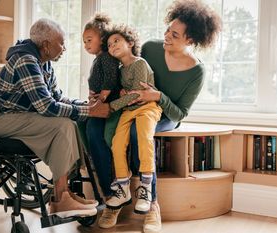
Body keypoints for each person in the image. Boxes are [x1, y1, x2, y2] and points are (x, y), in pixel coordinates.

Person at [90, 1, 222, 232]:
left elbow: (180, 113)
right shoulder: (150, 48)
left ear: (190, 40)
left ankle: (152, 204)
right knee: (97, 129)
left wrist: (157, 96)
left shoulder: (196, 71)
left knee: (138, 133)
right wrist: (106, 90)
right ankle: (114, 196)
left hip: (164, 113)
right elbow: (125, 68)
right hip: (133, 106)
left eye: (175, 35)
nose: (166, 36)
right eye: (167, 30)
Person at [0, 18, 110, 218]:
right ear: (46, 45)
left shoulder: (44, 64)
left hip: (16, 117)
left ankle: (64, 195)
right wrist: (91, 112)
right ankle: (61, 198)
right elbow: (46, 107)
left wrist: (87, 106)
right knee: (62, 125)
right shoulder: (25, 59)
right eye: (61, 43)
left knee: (68, 122)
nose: (64, 49)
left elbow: (57, 98)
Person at [103, 24, 162, 216]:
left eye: (117, 41)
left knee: (145, 139)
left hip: (147, 108)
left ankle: (145, 190)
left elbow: (137, 94)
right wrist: (123, 95)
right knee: (117, 143)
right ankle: (123, 188)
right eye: (110, 45)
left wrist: (112, 106)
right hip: (128, 111)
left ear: (130, 42)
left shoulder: (140, 63)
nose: (112, 46)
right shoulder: (119, 70)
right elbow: (126, 94)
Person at [80, 13, 121, 198]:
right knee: (82, 124)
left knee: (93, 131)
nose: (86, 44)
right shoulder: (98, 58)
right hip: (99, 103)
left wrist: (101, 98)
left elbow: (112, 78)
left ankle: (108, 186)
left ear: (102, 39)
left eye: (89, 40)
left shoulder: (106, 56)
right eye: (84, 41)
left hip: (107, 106)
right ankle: (90, 160)